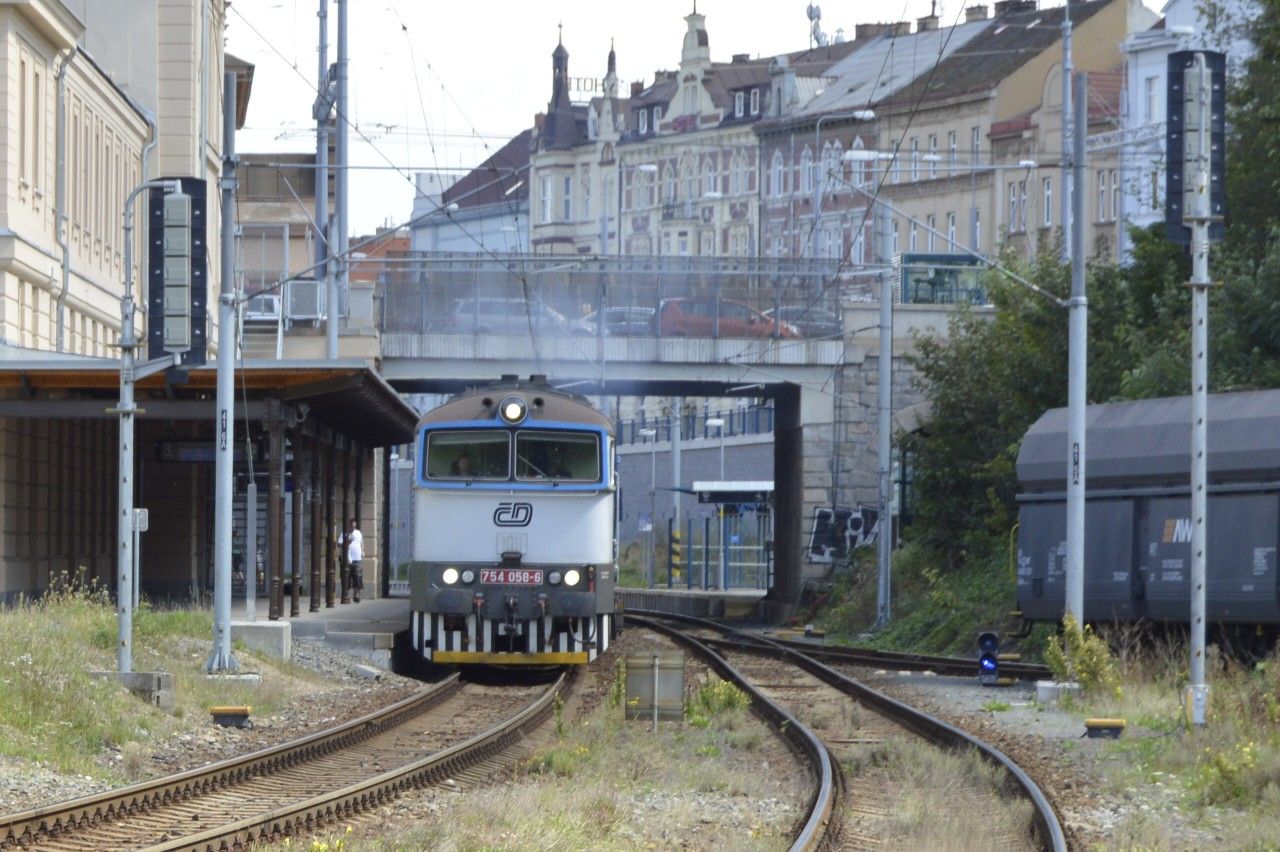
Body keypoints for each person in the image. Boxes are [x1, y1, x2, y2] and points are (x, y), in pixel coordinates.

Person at [345, 519, 364, 602]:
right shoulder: (346, 534)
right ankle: (346, 596)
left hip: (357, 559)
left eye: (354, 526)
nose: (353, 527)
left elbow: (362, 543)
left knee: (357, 577)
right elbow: (339, 544)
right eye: (352, 526)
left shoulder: (358, 533)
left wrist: (363, 550)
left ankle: (356, 595)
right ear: (349, 526)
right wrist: (348, 542)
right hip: (348, 559)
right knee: (347, 578)